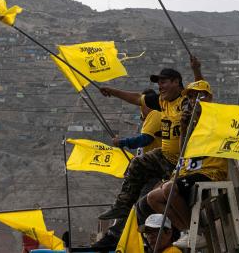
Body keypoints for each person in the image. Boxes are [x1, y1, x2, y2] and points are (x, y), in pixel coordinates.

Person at [97, 56, 203, 222]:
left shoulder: (185, 101)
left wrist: (196, 70)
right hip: (164, 156)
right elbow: (136, 98)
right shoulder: (162, 101)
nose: (160, 87)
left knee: (168, 197)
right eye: (158, 83)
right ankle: (122, 206)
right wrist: (112, 91)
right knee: (137, 164)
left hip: (183, 162)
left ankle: (182, 225)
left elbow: (200, 92)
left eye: (164, 82)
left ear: (176, 82)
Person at [144, 80, 228, 249]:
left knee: (169, 188)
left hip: (209, 171)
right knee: (152, 198)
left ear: (209, 98)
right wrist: (183, 128)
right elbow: (184, 152)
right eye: (190, 96)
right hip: (189, 171)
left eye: (199, 95)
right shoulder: (191, 122)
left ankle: (195, 232)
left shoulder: (216, 119)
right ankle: (187, 230)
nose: (194, 100)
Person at [91, 89, 162, 249]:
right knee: (130, 204)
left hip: (155, 172)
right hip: (147, 170)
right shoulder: (150, 118)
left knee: (138, 204)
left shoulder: (156, 114)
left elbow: (144, 140)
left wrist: (122, 142)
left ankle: (119, 237)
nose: (140, 108)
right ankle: (116, 235)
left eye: (142, 105)